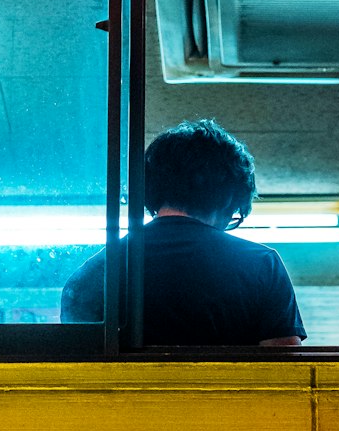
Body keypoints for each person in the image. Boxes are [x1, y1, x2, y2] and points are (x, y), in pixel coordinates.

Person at [60, 118, 306, 347]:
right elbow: (288, 374)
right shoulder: (261, 264)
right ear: (230, 198)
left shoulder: (94, 273)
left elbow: (77, 373)